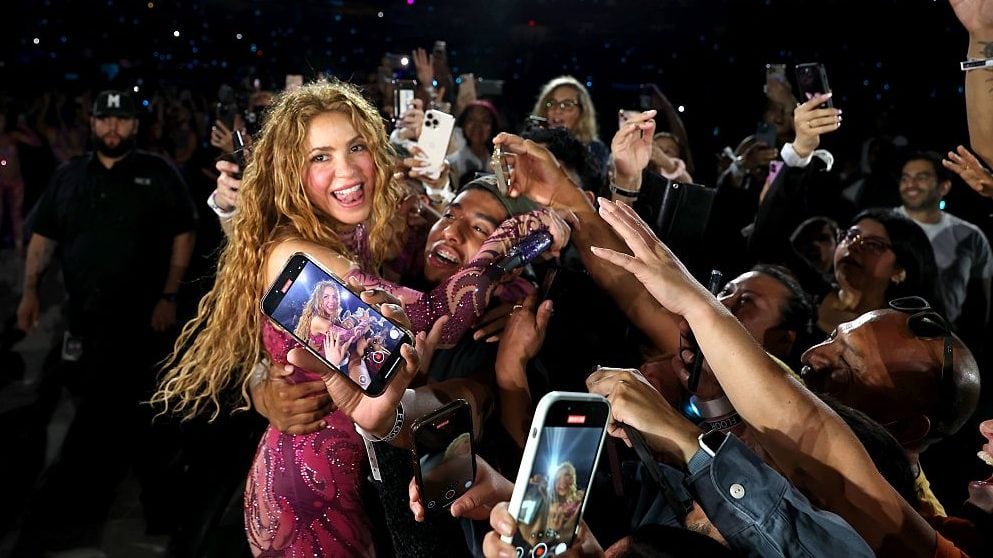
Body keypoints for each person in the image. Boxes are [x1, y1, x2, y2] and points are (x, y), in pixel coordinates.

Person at [154, 80, 568, 556]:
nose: (347, 170)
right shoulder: (295, 253)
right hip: (310, 489)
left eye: (356, 147)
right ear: (290, 172)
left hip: (374, 482)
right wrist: (518, 238)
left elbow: (436, 248)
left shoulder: (354, 232)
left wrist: (519, 286)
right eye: (319, 156)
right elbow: (426, 320)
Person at [12, 89, 197, 555]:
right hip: (86, 322)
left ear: (135, 125)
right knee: (90, 418)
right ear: (92, 123)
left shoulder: (158, 173)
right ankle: (78, 515)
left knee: (152, 421)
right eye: (105, 119)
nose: (113, 128)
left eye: (122, 120)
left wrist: (169, 295)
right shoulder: (69, 175)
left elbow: (183, 233)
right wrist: (30, 290)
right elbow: (43, 236)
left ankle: (164, 514)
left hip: (145, 323)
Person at [531, 75, 609, 182]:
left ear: (582, 112)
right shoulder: (532, 145)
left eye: (567, 105)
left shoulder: (595, 149)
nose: (557, 110)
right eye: (552, 103)